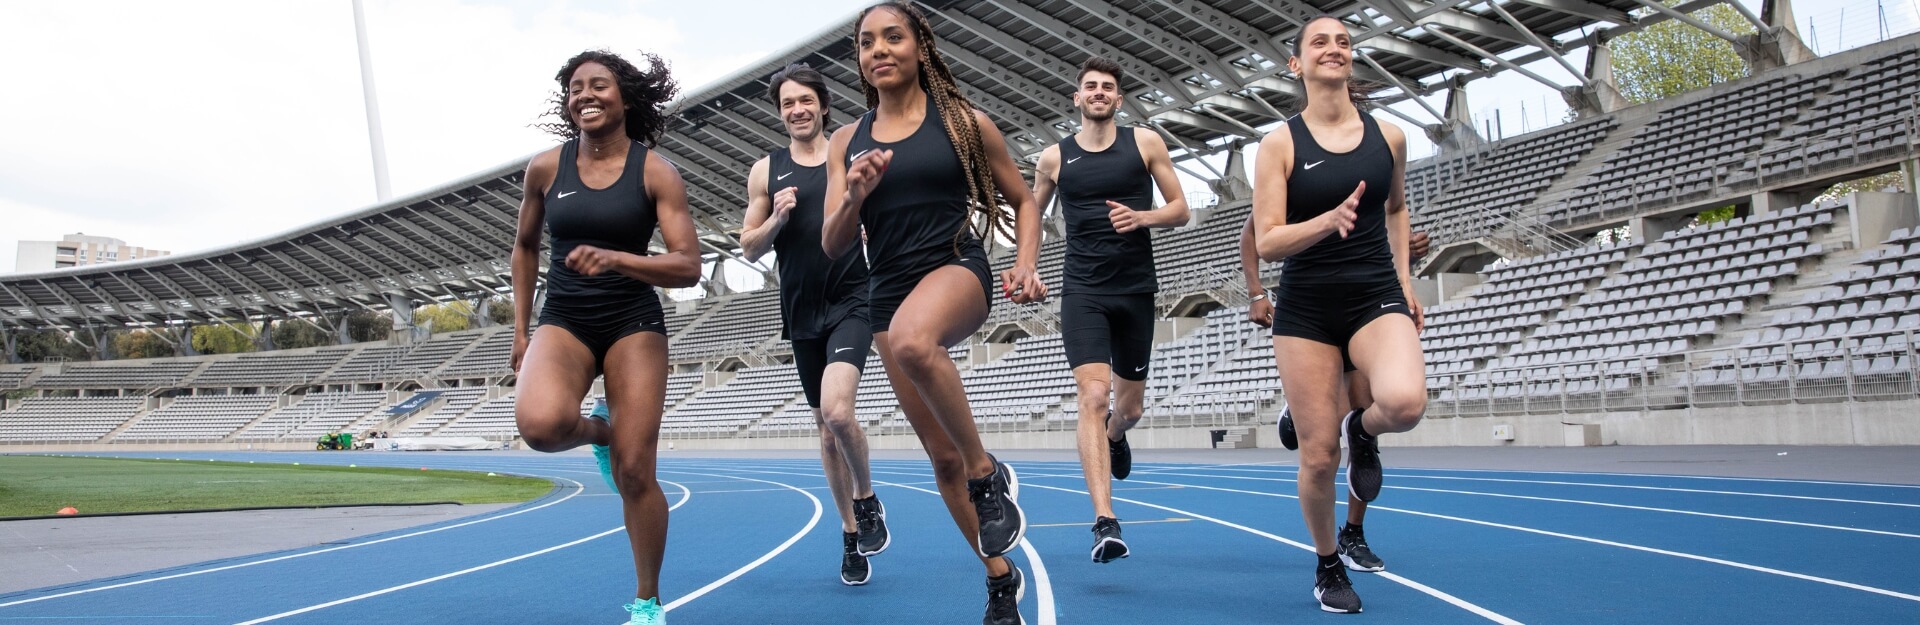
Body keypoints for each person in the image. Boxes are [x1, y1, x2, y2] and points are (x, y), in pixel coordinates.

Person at [822, 3, 1047, 623]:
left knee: (916, 340)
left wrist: (1025, 262)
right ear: (860, 59)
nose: (879, 50)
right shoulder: (847, 141)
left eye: (893, 37)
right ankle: (999, 579)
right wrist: (854, 196)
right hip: (886, 293)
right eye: (868, 42)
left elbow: (1024, 201)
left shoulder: (964, 122)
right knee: (938, 458)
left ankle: (987, 473)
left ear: (921, 46)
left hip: (956, 270)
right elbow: (833, 244)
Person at [510, 50, 701, 625]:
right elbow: (524, 247)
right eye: (575, 88)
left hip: (631, 323)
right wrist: (520, 330)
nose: (585, 95)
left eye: (598, 85)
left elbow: (689, 266)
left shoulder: (655, 172)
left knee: (636, 472)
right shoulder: (546, 169)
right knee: (539, 428)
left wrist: (620, 259)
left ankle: (647, 601)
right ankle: (601, 432)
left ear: (625, 98)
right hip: (565, 316)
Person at [1249, 16, 1429, 614]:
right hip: (1306, 306)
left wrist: (1405, 281)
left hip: (1375, 292)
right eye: (1319, 42)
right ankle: (1328, 563)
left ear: (1352, 60)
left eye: (1344, 41)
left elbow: (1398, 211)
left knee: (1404, 403)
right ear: (1297, 65)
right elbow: (1268, 241)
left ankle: (1365, 428)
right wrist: (1326, 221)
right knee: (1319, 454)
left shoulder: (1390, 138)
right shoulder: (1279, 144)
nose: (1334, 49)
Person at [1028, 56, 1188, 564]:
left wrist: (1143, 216)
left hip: (1136, 290)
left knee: (1128, 407)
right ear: (1076, 98)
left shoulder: (1144, 143)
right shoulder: (1054, 158)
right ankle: (1104, 521)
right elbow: (1032, 214)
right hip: (1083, 292)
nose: (1098, 93)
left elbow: (1181, 209)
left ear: (1118, 100)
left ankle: (1117, 435)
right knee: (1093, 396)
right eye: (1090, 86)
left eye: (1108, 88)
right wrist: (1027, 266)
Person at [740, 62, 890, 586]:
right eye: (788, 104)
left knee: (837, 412)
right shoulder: (767, 170)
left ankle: (867, 498)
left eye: (806, 100)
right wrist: (777, 219)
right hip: (801, 311)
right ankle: (851, 536)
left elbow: (882, 209)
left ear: (823, 105)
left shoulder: (849, 151)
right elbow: (749, 245)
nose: (797, 110)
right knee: (826, 436)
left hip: (853, 298)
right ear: (780, 113)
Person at [1241, 220, 1430, 575]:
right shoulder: (1289, 170)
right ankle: (1303, 410)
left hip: (1367, 304)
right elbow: (1252, 232)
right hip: (1311, 308)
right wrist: (1255, 291)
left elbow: (1389, 225)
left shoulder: (1373, 168)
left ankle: (1353, 533)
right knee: (1324, 448)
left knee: (1362, 421)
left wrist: (1409, 257)